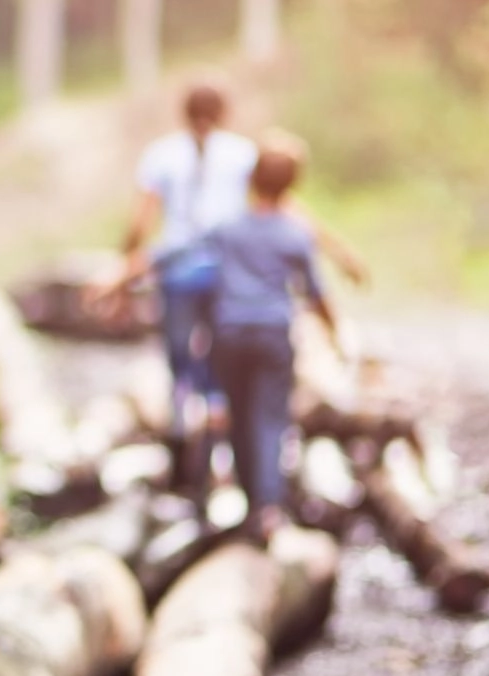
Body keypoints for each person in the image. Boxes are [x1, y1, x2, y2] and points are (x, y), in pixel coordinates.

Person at [114, 84, 258, 496]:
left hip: (176, 273)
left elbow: (141, 220)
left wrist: (127, 269)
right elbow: (261, 208)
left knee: (179, 361)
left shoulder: (162, 154)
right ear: (225, 112)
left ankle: (182, 456)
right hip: (226, 274)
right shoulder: (243, 154)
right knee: (218, 362)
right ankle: (220, 454)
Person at [202, 131, 336, 540]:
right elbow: (316, 293)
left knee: (239, 418)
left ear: (250, 180)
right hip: (272, 335)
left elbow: (192, 268)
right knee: (270, 419)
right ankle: (267, 508)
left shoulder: (227, 228)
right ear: (292, 185)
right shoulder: (295, 233)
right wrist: (336, 337)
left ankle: (248, 502)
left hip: (228, 335)